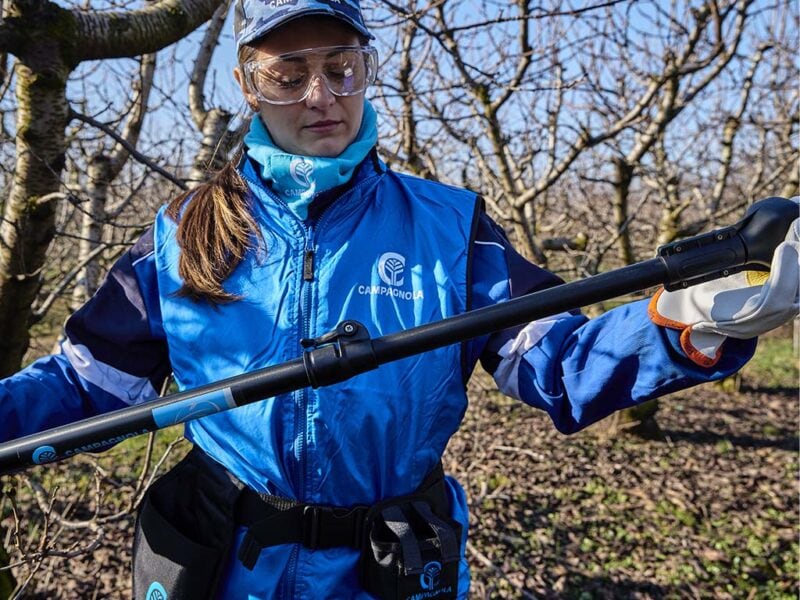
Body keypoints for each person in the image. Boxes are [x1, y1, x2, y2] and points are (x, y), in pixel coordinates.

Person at [0, 1, 797, 598]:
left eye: (341, 67)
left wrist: (680, 326)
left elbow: (551, 357)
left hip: (388, 562)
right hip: (226, 561)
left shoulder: (448, 226)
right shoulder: (182, 236)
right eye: (289, 73)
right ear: (248, 85)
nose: (322, 95)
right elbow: (86, 384)